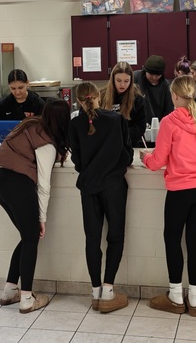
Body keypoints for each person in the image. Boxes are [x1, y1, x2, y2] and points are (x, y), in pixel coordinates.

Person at [140, 75, 196, 316]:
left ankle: (175, 296)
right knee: (195, 241)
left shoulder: (169, 121)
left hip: (181, 190)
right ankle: (194, 300)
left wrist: (145, 158)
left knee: (172, 239)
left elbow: (158, 161)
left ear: (174, 95)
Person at [0, 99, 71, 314]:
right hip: (18, 185)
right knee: (31, 238)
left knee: (27, 237)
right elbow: (44, 185)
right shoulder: (46, 142)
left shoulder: (31, 124)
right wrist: (42, 218)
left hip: (0, 183)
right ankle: (27, 298)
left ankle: (9, 291)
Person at [69, 81, 133, 314]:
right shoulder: (116, 120)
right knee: (115, 236)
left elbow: (76, 160)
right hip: (114, 185)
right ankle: (108, 290)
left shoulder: (75, 124)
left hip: (88, 187)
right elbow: (127, 155)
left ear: (78, 100)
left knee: (92, 238)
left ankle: (95, 290)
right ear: (99, 96)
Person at [101, 62, 150, 147]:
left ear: (131, 81)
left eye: (126, 81)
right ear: (112, 79)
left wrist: (119, 134)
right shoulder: (101, 96)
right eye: (119, 80)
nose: (122, 85)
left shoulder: (137, 99)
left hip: (128, 145)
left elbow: (140, 128)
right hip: (105, 145)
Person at [133, 55, 174, 122]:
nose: (154, 77)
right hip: (137, 124)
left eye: (158, 75)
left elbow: (168, 110)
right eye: (151, 74)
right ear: (145, 70)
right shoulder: (135, 78)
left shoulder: (165, 85)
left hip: (158, 125)